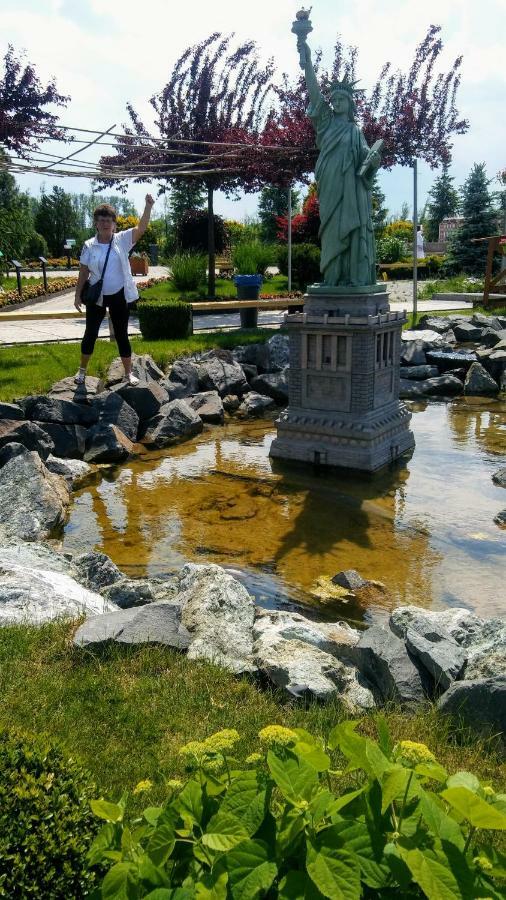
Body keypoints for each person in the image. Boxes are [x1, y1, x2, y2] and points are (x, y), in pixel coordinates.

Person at [297, 37, 380, 287]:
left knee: (352, 229)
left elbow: (367, 156)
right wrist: (307, 59)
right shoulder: (325, 122)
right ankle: (332, 277)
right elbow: (313, 91)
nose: (335, 102)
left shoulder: (355, 132)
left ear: (350, 103)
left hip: (351, 191)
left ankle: (350, 276)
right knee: (331, 227)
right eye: (333, 99)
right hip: (330, 183)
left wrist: (374, 160)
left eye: (340, 99)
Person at [74, 194, 155, 385]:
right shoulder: (88, 246)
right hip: (97, 296)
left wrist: (148, 207)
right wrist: (77, 295)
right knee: (90, 333)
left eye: (108, 220)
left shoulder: (122, 240)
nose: (105, 224)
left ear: (114, 224)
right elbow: (83, 272)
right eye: (101, 220)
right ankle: (82, 372)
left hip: (119, 295)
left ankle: (128, 373)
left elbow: (141, 228)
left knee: (121, 334)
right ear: (96, 223)